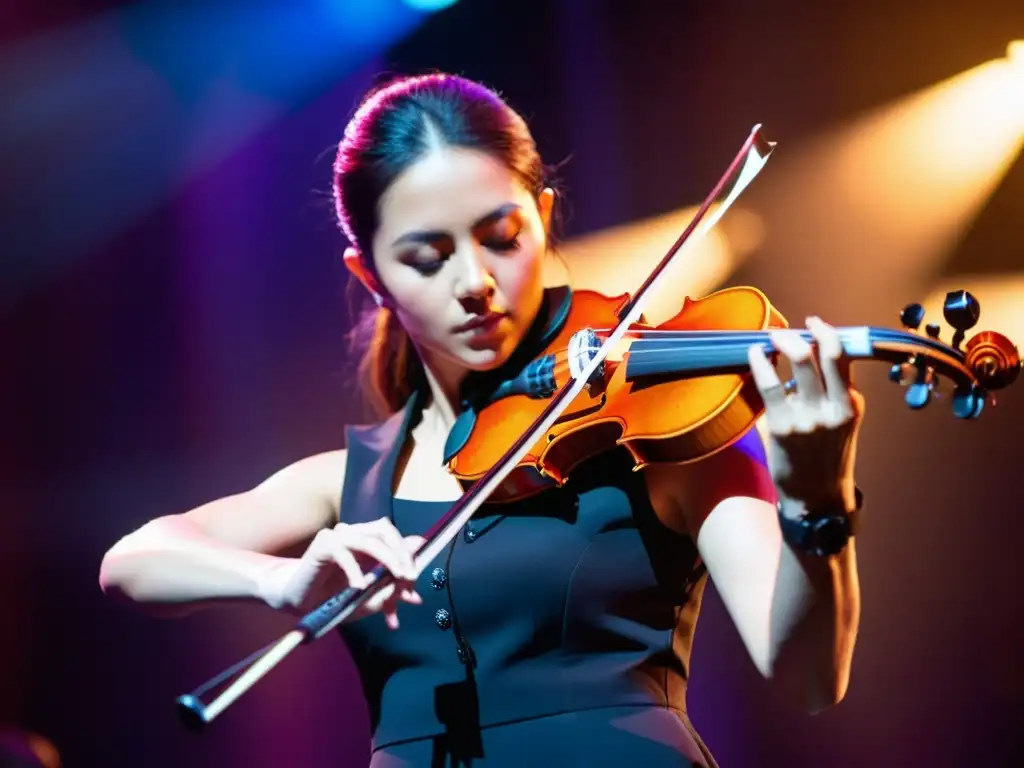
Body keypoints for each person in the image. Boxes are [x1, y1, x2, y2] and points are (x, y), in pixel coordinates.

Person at [99, 73, 865, 767]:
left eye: (501, 238)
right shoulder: (351, 482)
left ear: (542, 217)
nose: (474, 282)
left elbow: (806, 679)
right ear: (370, 275)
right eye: (427, 257)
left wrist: (817, 498)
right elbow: (134, 560)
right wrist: (279, 580)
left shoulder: (656, 428)